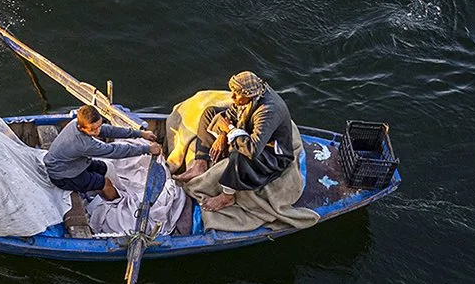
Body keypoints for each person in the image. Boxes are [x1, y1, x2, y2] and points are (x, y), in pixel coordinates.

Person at [177, 71, 296, 212]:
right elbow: (232, 113)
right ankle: (200, 165)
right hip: (247, 130)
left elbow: (252, 150)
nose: (232, 97)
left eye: (236, 94)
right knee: (210, 113)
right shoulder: (250, 95)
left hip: (271, 154)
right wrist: (222, 134)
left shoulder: (268, 112)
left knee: (239, 153)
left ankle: (227, 197)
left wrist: (230, 130)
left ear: (250, 95)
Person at [43, 105, 161, 201]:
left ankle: (100, 190)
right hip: (64, 176)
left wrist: (139, 134)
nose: (97, 131)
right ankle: (116, 204)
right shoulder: (83, 144)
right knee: (105, 183)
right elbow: (114, 151)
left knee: (104, 168)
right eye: (93, 130)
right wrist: (146, 149)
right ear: (81, 128)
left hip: (75, 163)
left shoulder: (76, 122)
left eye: (98, 126)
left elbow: (106, 130)